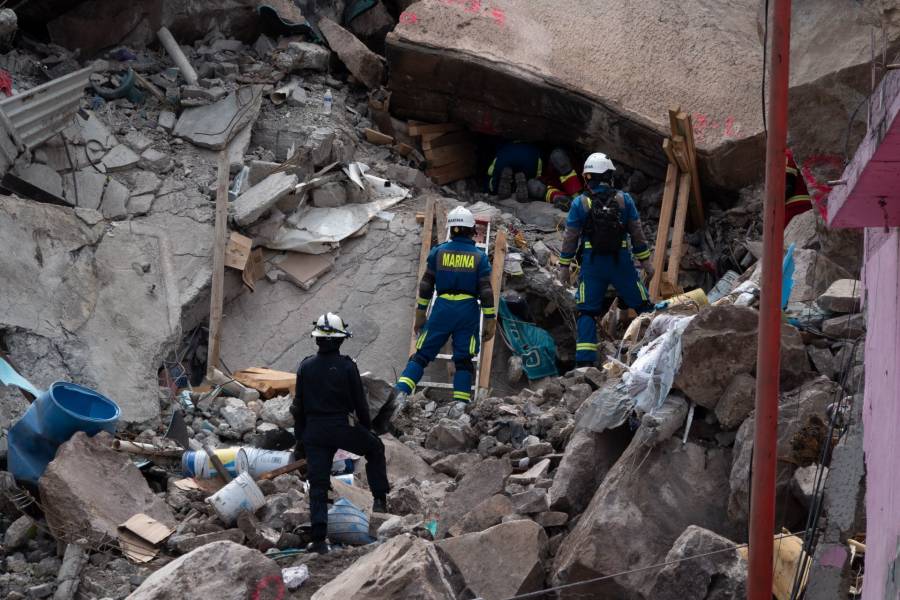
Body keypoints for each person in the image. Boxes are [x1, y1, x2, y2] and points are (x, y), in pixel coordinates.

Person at [290, 313, 389, 554]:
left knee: (318, 484)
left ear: (317, 341)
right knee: (375, 449)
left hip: (314, 432)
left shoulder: (305, 366)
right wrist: (366, 430)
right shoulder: (347, 366)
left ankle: (319, 540)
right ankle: (380, 501)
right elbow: (360, 404)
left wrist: (299, 441)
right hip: (340, 428)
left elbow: (298, 408)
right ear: (339, 340)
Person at [557, 152, 654, 367]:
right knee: (644, 306)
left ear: (588, 177)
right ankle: (655, 348)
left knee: (587, 312)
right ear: (608, 175)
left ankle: (583, 366)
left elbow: (570, 237)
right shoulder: (624, 199)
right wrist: (645, 261)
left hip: (593, 265)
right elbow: (637, 233)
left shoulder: (580, 203)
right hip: (621, 262)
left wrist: (564, 266)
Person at [394, 206, 496, 407]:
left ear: (451, 229)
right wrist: (490, 319)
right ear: (471, 230)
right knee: (463, 359)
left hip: (441, 309)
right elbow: (485, 291)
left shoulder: (437, 253)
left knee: (422, 355)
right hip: (467, 311)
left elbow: (425, 286)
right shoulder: (479, 257)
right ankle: (460, 407)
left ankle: (398, 396)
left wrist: (420, 313)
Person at [785, 148, 813, 227]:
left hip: (793, 209)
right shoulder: (805, 151)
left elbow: (788, 187)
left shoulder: (786, 154)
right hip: (811, 206)